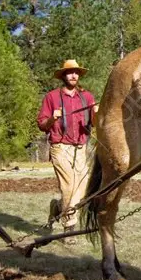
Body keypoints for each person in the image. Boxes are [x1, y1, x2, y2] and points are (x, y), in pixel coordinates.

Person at [37, 59, 98, 229]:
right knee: (69, 186)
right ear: (63, 75)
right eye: (70, 72)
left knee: (81, 188)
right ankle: (69, 225)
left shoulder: (86, 97)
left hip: (81, 147)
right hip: (60, 147)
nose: (74, 75)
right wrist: (53, 118)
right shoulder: (52, 97)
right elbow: (42, 124)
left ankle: (57, 207)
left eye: (76, 72)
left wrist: (96, 114)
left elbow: (94, 123)